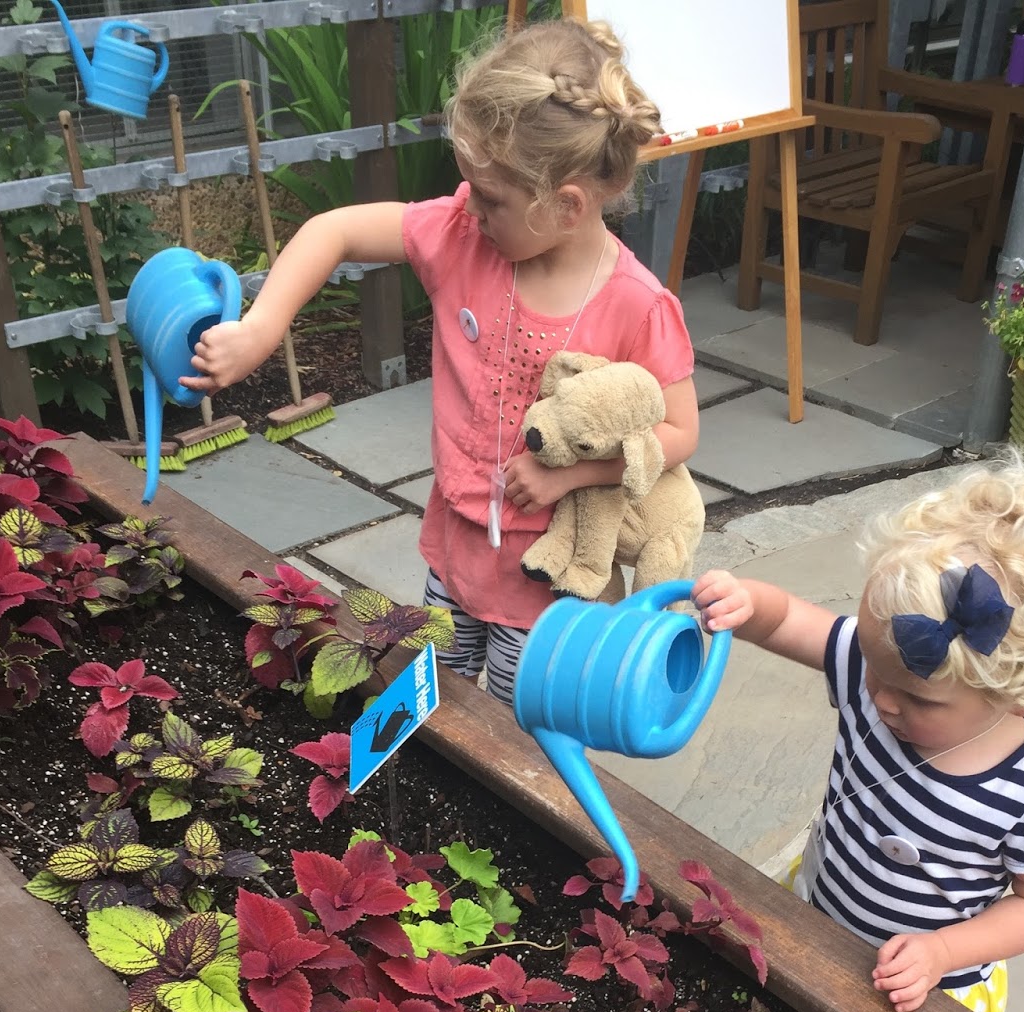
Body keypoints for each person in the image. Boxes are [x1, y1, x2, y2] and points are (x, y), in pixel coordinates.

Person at [181, 18, 699, 705]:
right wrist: (261, 327)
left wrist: (574, 473)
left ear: (568, 204)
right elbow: (333, 231)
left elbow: (680, 433)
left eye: (491, 199)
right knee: (433, 710)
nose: (470, 208)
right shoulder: (463, 237)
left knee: (523, 744)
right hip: (454, 557)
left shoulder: (637, 305)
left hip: (551, 586)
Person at [693, 457, 1024, 1012]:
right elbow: (784, 623)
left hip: (927, 986)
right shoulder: (878, 667)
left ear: (1020, 693)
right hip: (821, 905)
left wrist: (942, 952)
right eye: (875, 671)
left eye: (920, 700)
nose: (882, 700)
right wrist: (748, 603)